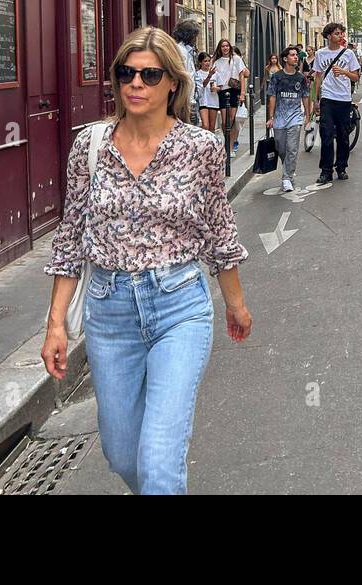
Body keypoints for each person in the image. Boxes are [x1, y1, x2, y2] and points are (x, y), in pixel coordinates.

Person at [41, 26, 251, 495]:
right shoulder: (90, 146)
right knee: (121, 453)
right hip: (108, 311)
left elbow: (219, 230)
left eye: (150, 75)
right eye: (126, 73)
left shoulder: (200, 148)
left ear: (173, 83)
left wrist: (235, 303)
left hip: (179, 305)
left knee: (158, 464)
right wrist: (56, 323)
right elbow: (71, 235)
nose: (136, 84)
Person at [312, 22, 361, 184]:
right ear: (328, 36)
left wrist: (344, 72)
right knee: (326, 135)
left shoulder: (348, 54)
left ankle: (341, 167)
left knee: (343, 135)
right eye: (337, 34)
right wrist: (316, 99)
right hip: (327, 98)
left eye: (341, 34)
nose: (341, 36)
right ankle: (326, 171)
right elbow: (318, 76)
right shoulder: (320, 54)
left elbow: (355, 77)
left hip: (343, 99)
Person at [266, 45, 311, 193]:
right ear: (285, 59)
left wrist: (307, 117)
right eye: (292, 55)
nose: (295, 57)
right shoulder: (277, 77)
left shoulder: (300, 78)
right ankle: (289, 171)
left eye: (296, 55)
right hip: (279, 118)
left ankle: (286, 177)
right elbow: (272, 97)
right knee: (281, 148)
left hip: (295, 118)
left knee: (292, 149)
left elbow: (305, 96)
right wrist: (271, 117)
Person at [209, 39, 247, 154]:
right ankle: (227, 143)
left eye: (226, 46)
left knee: (232, 119)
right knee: (225, 122)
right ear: (220, 48)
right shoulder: (217, 62)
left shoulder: (236, 59)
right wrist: (215, 87)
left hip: (234, 90)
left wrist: (242, 93)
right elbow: (214, 77)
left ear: (229, 47)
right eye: (222, 46)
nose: (225, 48)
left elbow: (242, 76)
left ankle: (230, 147)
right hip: (222, 91)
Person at [173, 22, 201, 124]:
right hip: (185, 101)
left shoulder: (187, 51)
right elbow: (184, 75)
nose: (195, 40)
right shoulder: (181, 51)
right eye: (195, 36)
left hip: (189, 99)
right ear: (189, 36)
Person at [194, 52, 219, 132]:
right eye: (205, 61)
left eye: (209, 61)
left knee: (212, 128)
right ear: (200, 62)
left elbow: (221, 87)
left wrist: (216, 88)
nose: (207, 63)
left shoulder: (216, 74)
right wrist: (209, 76)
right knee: (205, 126)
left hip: (213, 101)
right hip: (203, 102)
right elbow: (203, 85)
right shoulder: (197, 74)